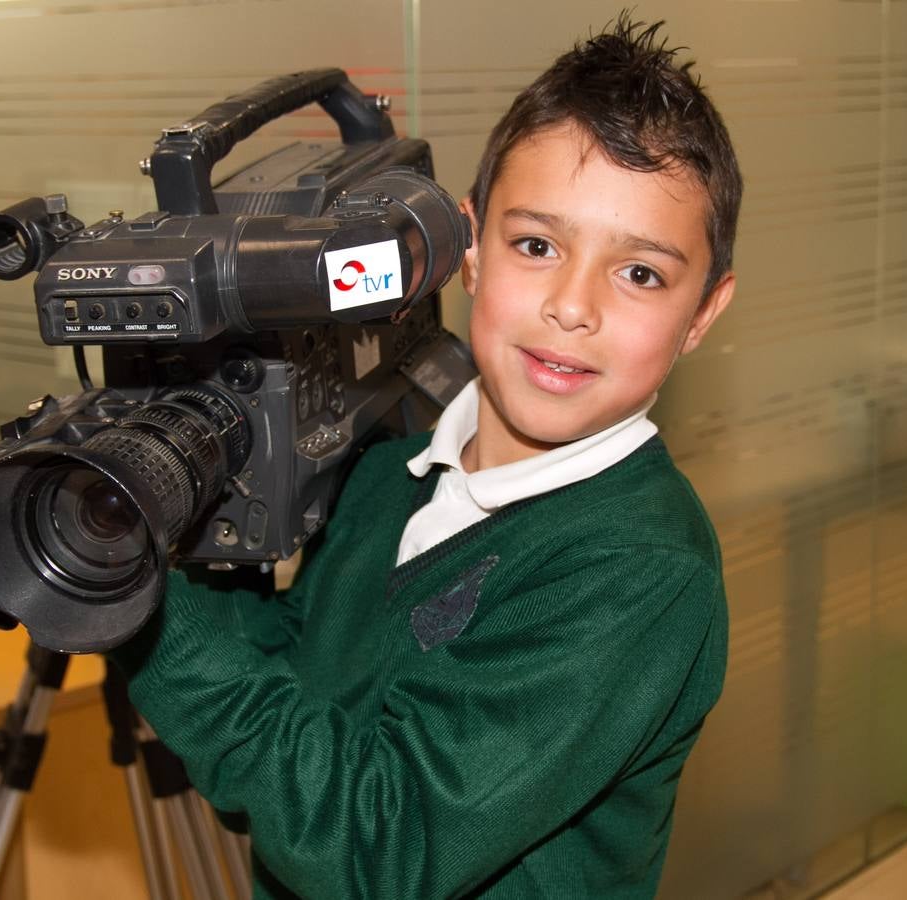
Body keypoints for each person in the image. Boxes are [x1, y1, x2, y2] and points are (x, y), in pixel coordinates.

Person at [111, 12, 742, 898]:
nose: (572, 306)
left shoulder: (638, 569)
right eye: (536, 245)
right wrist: (131, 553)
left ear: (702, 315)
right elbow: (303, 667)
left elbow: (383, 850)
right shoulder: (393, 468)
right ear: (470, 248)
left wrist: (142, 616)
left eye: (639, 272)